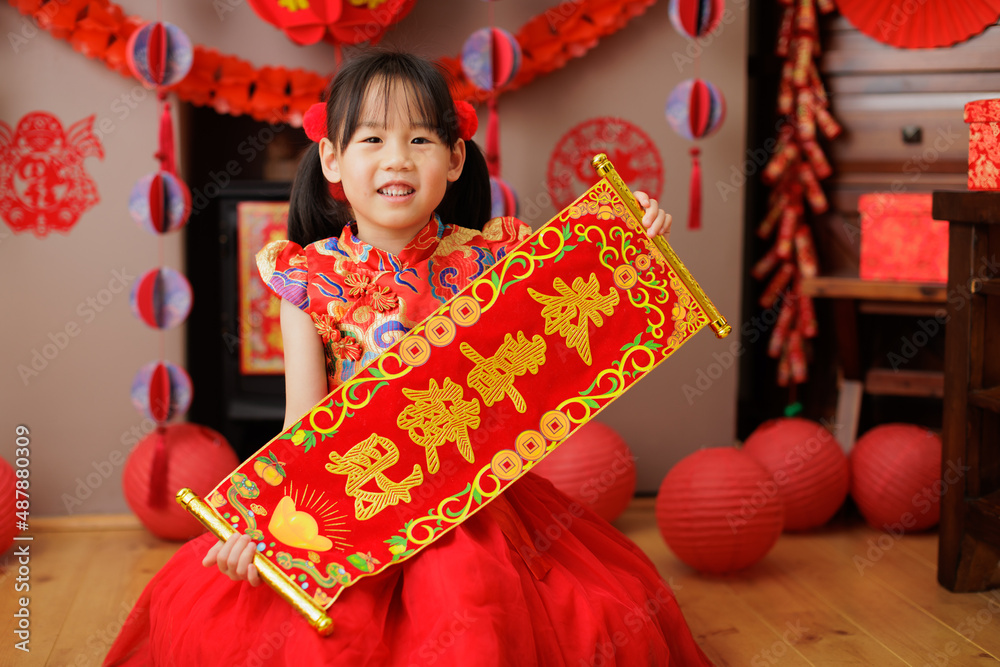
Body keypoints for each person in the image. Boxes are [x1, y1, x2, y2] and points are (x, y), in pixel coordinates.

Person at [105, 51, 713, 667]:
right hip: (354, 504)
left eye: (420, 138)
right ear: (333, 160)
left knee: (516, 607)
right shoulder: (309, 282)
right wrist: (261, 528)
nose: (397, 157)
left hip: (472, 496)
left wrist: (631, 228)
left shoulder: (492, 261)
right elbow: (302, 426)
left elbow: (575, 295)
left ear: (453, 160)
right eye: (372, 137)